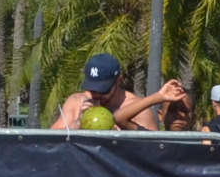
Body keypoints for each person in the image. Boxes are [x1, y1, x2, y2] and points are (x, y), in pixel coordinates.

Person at [55, 53, 184, 131]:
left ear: (119, 81)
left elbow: (152, 149)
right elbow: (49, 141)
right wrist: (77, 123)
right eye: (93, 89)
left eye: (103, 90)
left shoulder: (138, 109)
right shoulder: (77, 102)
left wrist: (118, 136)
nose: (97, 95)